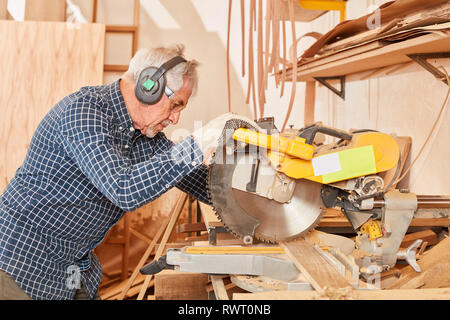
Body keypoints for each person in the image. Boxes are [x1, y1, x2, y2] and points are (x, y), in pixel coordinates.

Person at [0, 44, 234, 300]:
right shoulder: (84, 112)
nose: (175, 119)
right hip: (20, 263)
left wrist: (256, 190)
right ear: (148, 86)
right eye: (175, 105)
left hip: (73, 266)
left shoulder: (145, 136)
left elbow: (200, 182)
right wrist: (199, 142)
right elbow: (123, 188)